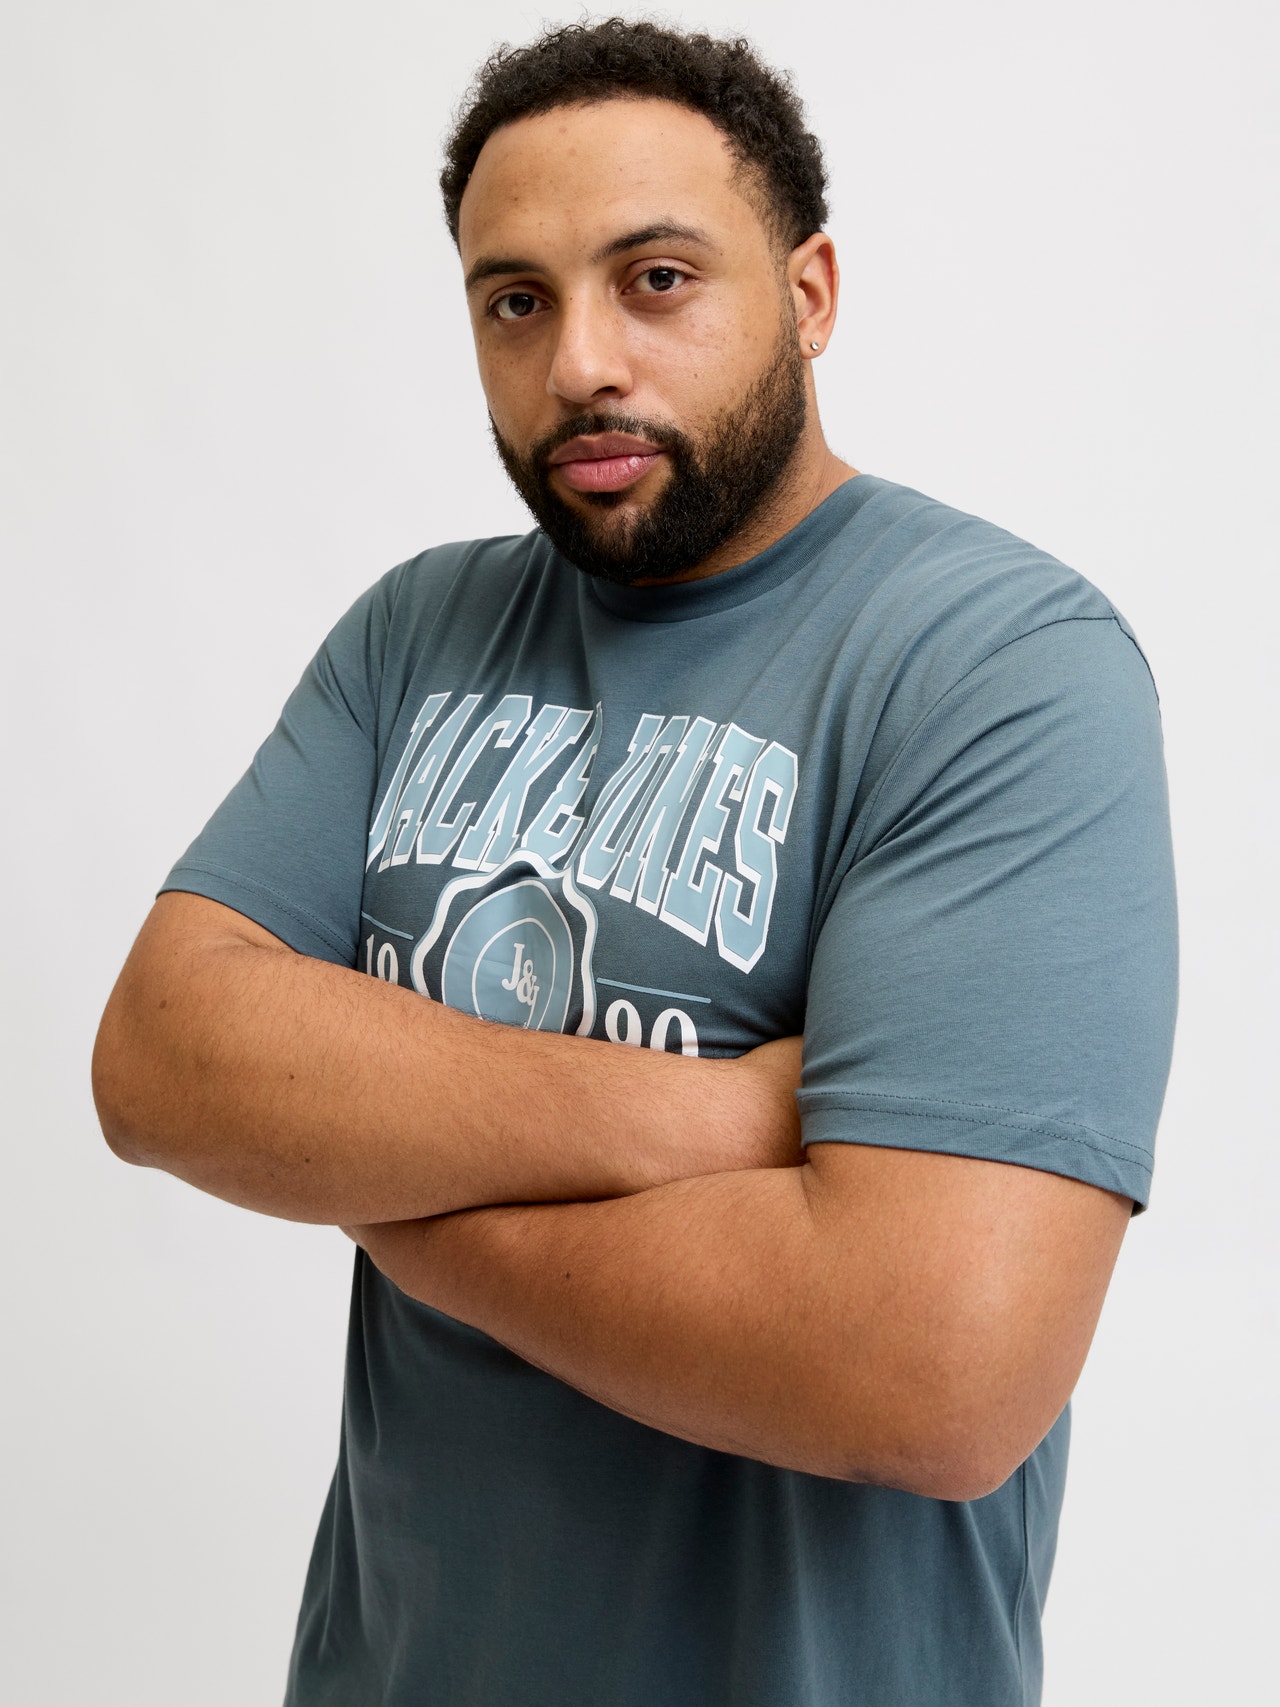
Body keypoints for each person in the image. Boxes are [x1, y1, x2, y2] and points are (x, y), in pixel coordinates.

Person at [92, 19, 1178, 1707]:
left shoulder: (1000, 666)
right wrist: (729, 1120)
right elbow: (162, 1057)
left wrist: (395, 1195)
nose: (581, 361)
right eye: (515, 301)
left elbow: (932, 1373)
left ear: (809, 295)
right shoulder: (414, 632)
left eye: (655, 280)